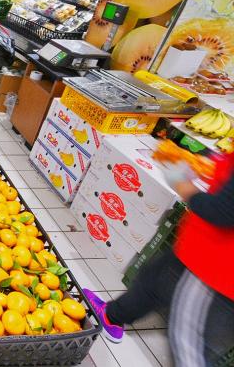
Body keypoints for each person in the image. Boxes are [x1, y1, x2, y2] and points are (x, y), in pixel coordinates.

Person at [84, 152, 234, 366]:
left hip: (214, 270)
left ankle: (113, 315)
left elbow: (223, 211)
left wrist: (182, 185)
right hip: (197, 249)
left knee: (189, 349)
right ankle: (112, 316)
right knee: (153, 279)